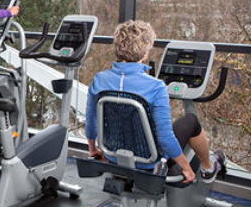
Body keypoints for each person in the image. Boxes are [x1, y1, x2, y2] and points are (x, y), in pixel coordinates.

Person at [85, 20, 225, 183]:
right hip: (150, 161)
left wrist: (93, 149)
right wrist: (186, 168)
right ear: (145, 52)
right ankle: (208, 168)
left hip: (113, 156)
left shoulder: (100, 80)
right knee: (190, 120)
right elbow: (165, 138)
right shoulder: (156, 86)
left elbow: (91, 122)